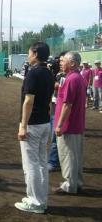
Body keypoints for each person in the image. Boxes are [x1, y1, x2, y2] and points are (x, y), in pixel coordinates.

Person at [15, 42, 54, 214]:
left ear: (35, 53)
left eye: (29, 52)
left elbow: (28, 101)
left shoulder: (33, 73)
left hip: (33, 124)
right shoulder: (49, 73)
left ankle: (35, 201)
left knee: (31, 164)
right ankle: (40, 199)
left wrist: (23, 126)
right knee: (40, 164)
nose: (28, 55)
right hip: (44, 122)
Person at [53, 52, 87, 194]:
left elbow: (67, 104)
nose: (61, 63)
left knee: (68, 156)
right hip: (76, 124)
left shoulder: (71, 79)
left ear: (73, 63)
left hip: (69, 125)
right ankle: (76, 182)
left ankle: (69, 185)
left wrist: (59, 125)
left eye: (63, 61)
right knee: (75, 156)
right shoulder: (78, 78)